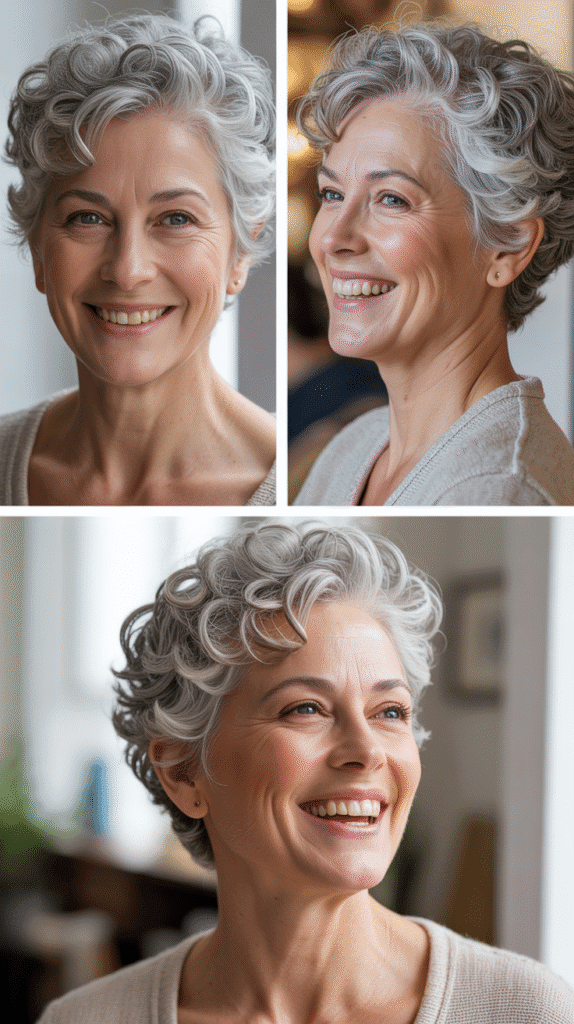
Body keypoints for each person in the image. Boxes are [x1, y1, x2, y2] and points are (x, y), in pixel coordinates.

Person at [36, 521, 574, 1023]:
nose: (366, 750)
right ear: (181, 770)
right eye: (306, 708)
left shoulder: (528, 1010)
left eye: (390, 712)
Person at [292, 23, 574, 506]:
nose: (333, 237)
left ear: (507, 247)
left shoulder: (499, 488)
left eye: (392, 200)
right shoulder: (352, 446)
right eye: (332, 194)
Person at [0, 14, 275, 505]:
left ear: (240, 253)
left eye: (175, 219)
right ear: (39, 248)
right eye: (87, 218)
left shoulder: (307, 482)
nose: (127, 271)